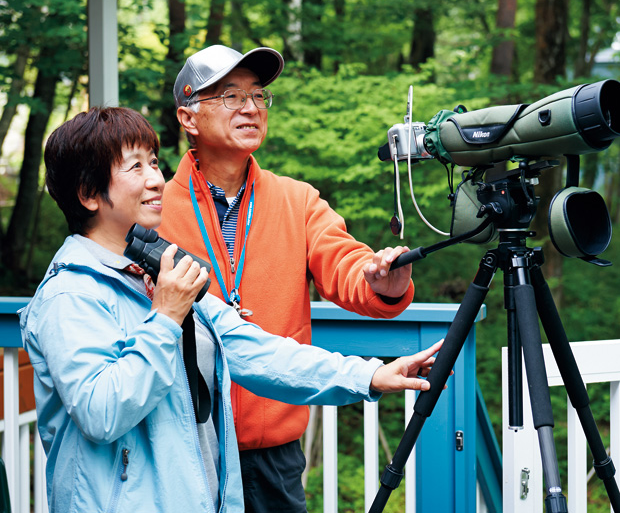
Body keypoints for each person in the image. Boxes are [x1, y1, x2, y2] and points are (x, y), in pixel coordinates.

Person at [19, 107, 444, 513]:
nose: (155, 180)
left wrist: (369, 375)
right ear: (89, 195)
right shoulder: (69, 295)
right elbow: (101, 411)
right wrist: (166, 318)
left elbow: (254, 350)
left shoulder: (156, 271)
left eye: (153, 162)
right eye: (136, 168)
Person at [159, 44, 416, 512]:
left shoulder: (296, 200)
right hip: (180, 444)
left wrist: (384, 283)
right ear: (188, 117)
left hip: (273, 449)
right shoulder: (153, 208)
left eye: (258, 96)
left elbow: (345, 264)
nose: (251, 108)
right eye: (230, 96)